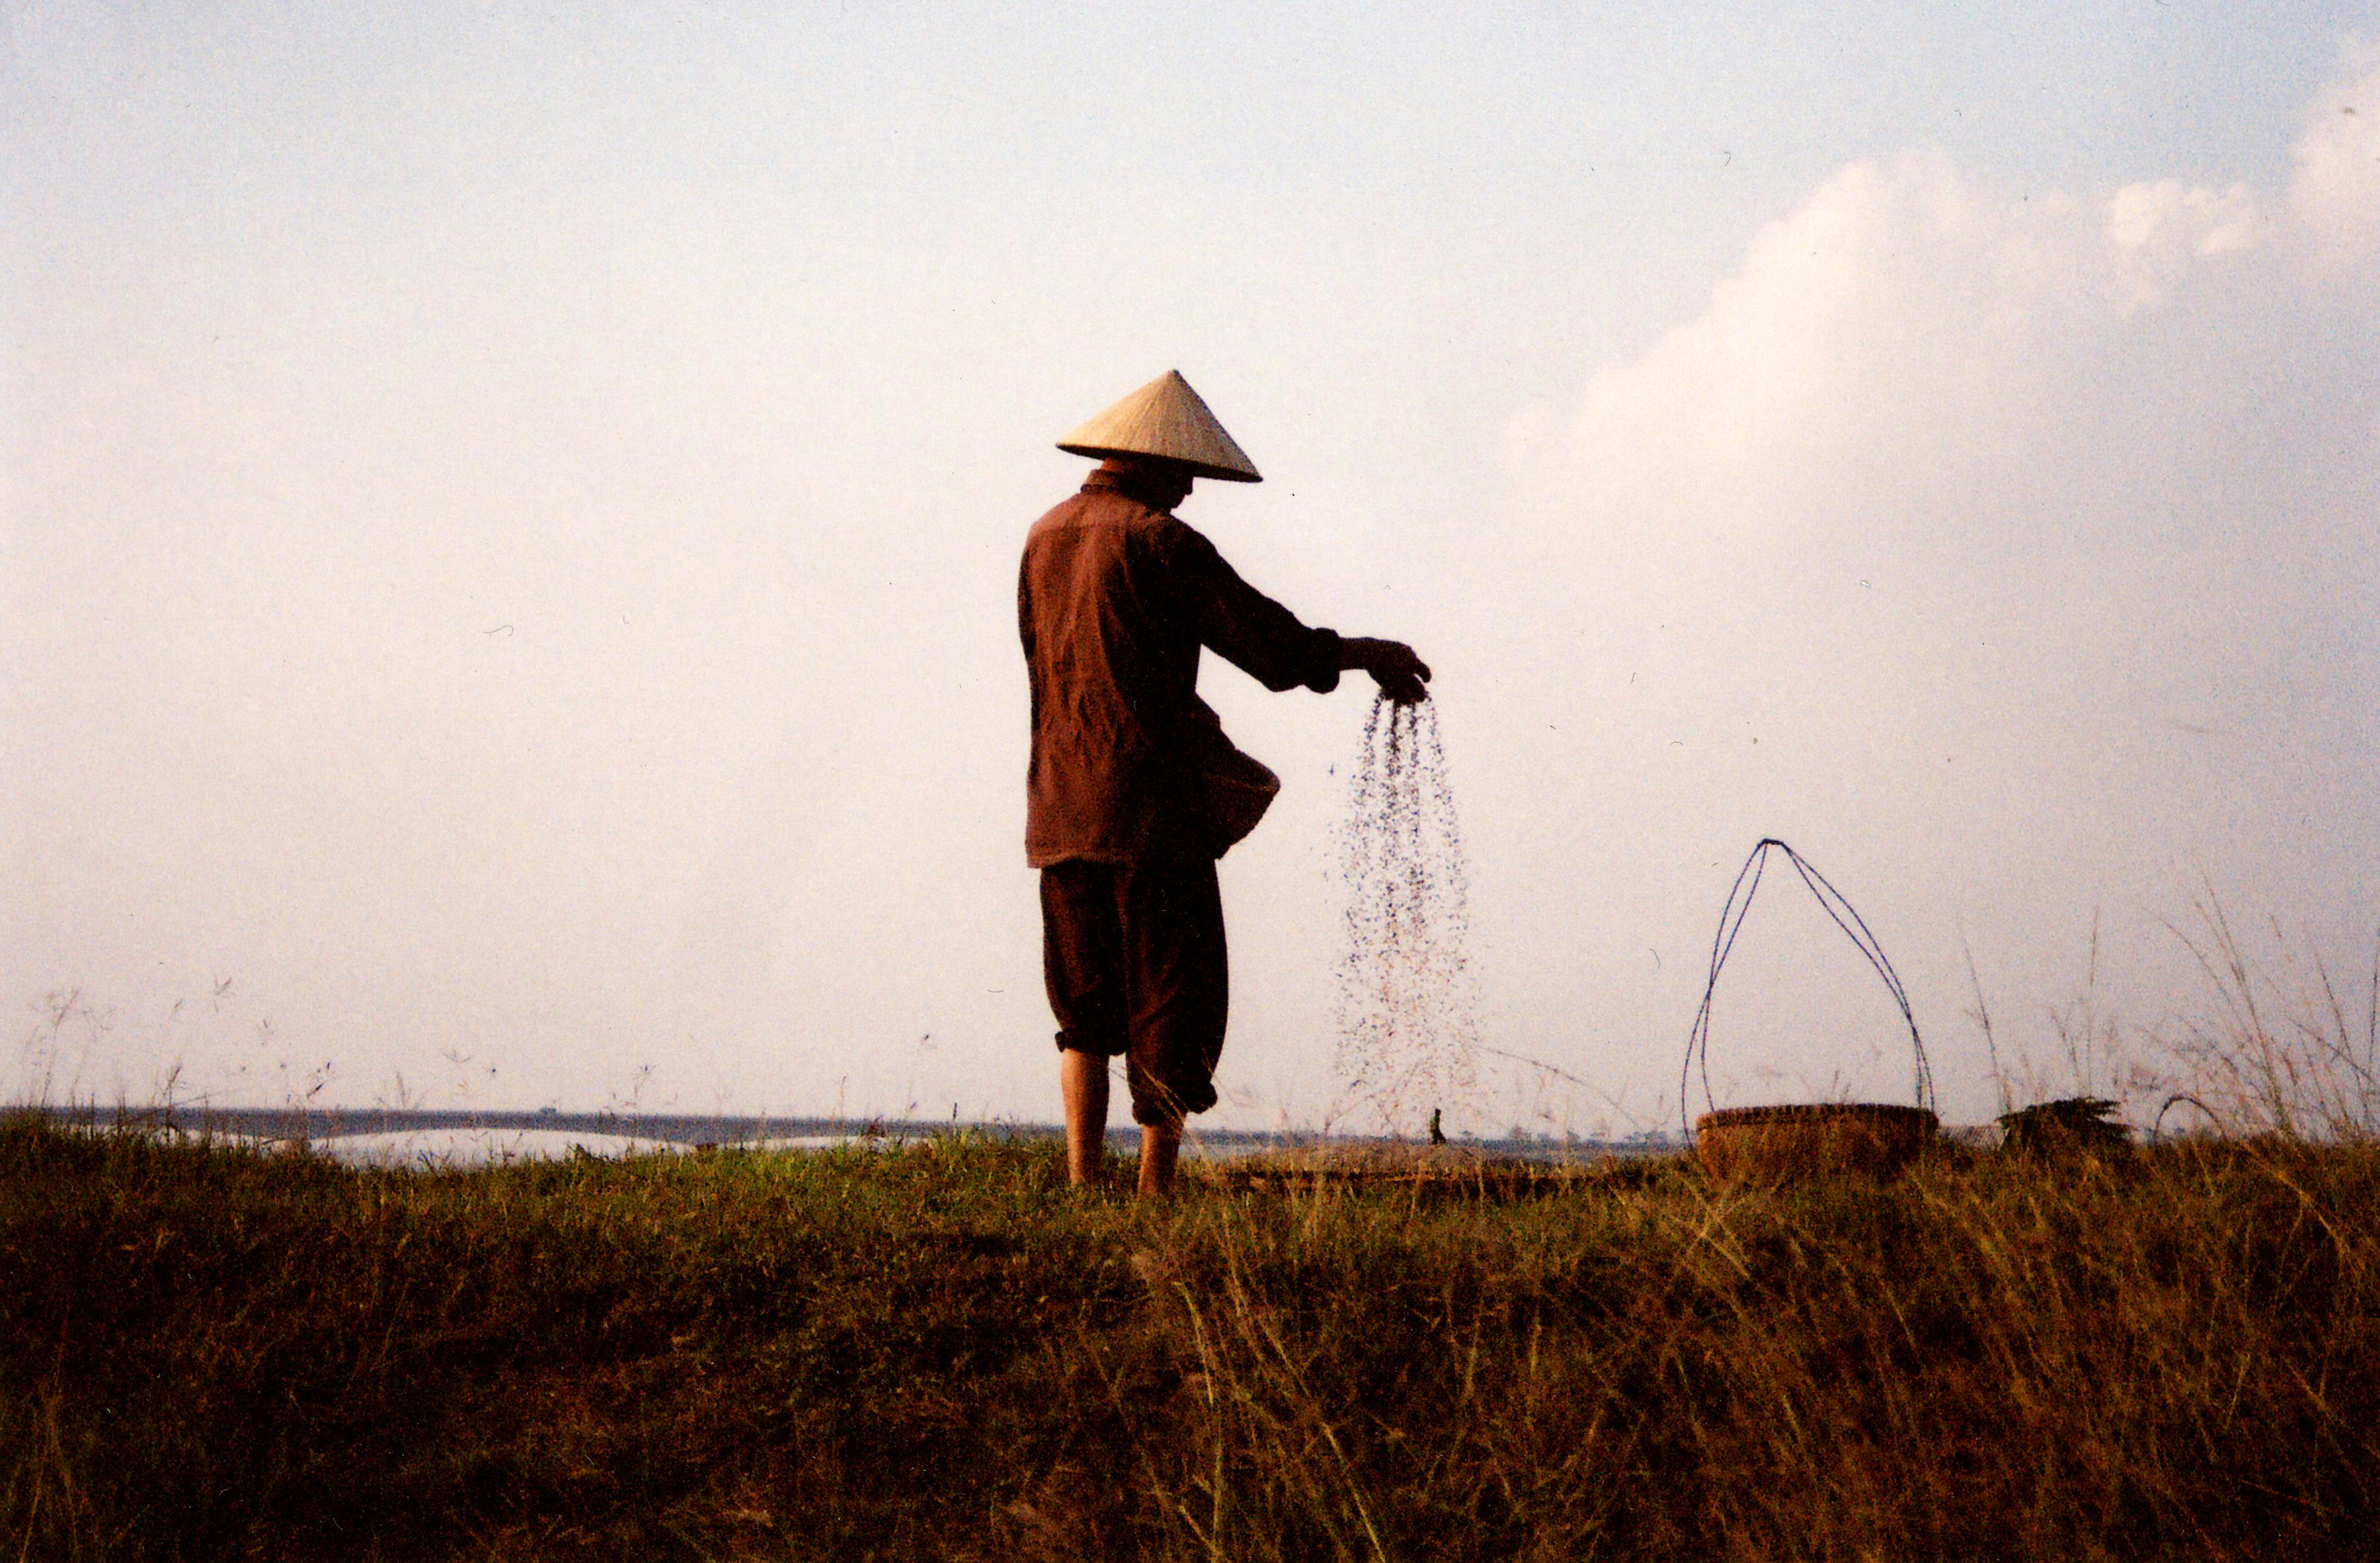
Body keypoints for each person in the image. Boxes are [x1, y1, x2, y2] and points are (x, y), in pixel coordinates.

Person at [1018, 370, 1429, 1195]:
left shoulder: (1044, 535)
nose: (1190, 491)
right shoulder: (1161, 541)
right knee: (1172, 1002)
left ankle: (1081, 1184)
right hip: (1151, 813)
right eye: (1186, 474)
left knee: (1084, 1012)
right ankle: (1154, 1193)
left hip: (1059, 808)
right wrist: (1367, 654)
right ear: (1158, 464)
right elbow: (1274, 649)